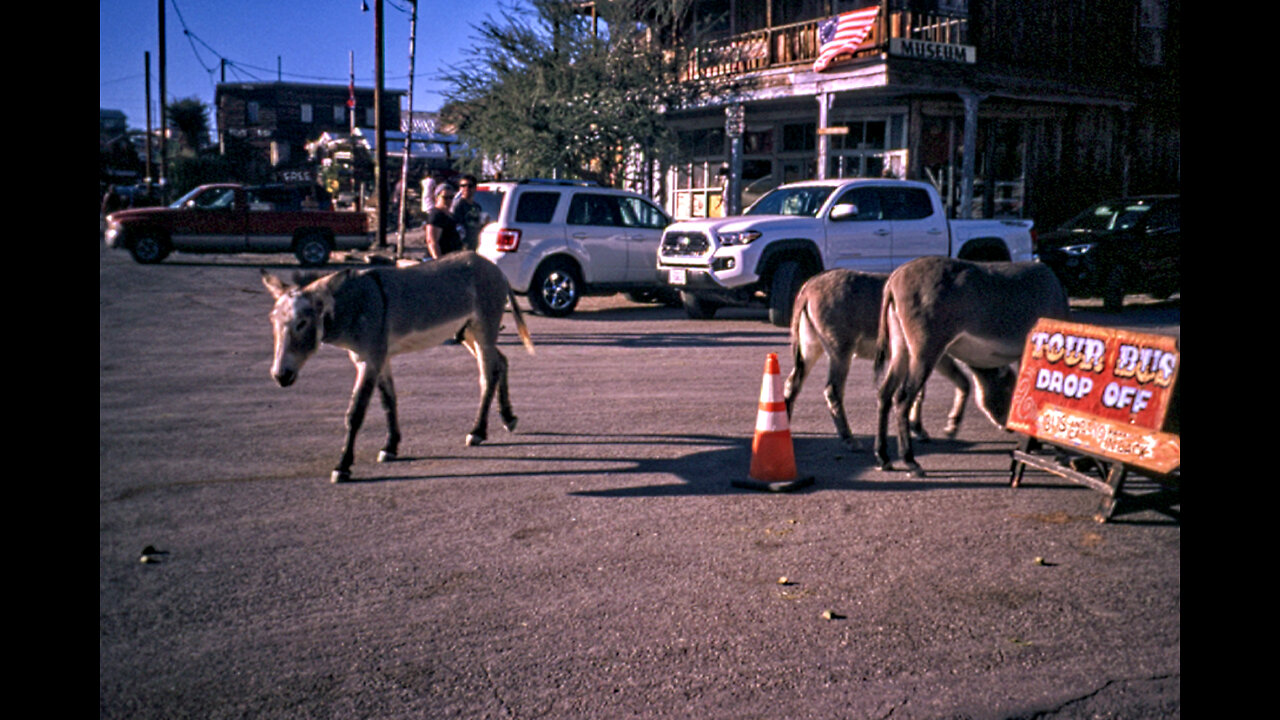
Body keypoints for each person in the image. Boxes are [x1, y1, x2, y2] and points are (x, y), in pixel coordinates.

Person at [425, 183, 464, 259]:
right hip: (438, 262)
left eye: (451, 197)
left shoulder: (450, 215)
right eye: (445, 198)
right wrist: (439, 261)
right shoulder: (436, 215)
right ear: (436, 198)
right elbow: (432, 241)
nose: (449, 200)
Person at [450, 174, 484, 251]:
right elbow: (453, 225)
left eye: (470, 186)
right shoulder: (457, 205)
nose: (466, 188)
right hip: (460, 245)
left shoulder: (477, 207)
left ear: (475, 188)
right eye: (463, 186)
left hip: (474, 244)